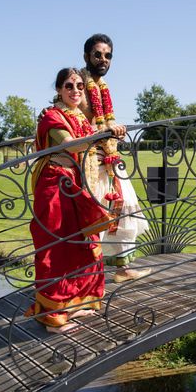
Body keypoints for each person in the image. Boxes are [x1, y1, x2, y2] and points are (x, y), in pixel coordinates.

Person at [26, 68, 112, 333]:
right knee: (57, 248)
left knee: (81, 245)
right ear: (58, 90)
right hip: (55, 184)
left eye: (79, 86)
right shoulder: (52, 116)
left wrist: (107, 131)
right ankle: (52, 317)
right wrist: (104, 133)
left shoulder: (79, 117)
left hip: (74, 183)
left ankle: (74, 304)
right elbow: (72, 145)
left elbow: (91, 139)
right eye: (69, 86)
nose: (75, 91)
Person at [79, 34, 151, 283]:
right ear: (86, 56)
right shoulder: (78, 85)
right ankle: (87, 278)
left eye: (108, 55)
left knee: (125, 209)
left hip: (109, 157)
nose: (103, 59)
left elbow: (104, 122)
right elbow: (74, 122)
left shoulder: (103, 89)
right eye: (98, 54)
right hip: (88, 161)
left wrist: (112, 131)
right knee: (94, 217)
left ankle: (123, 268)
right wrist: (105, 131)